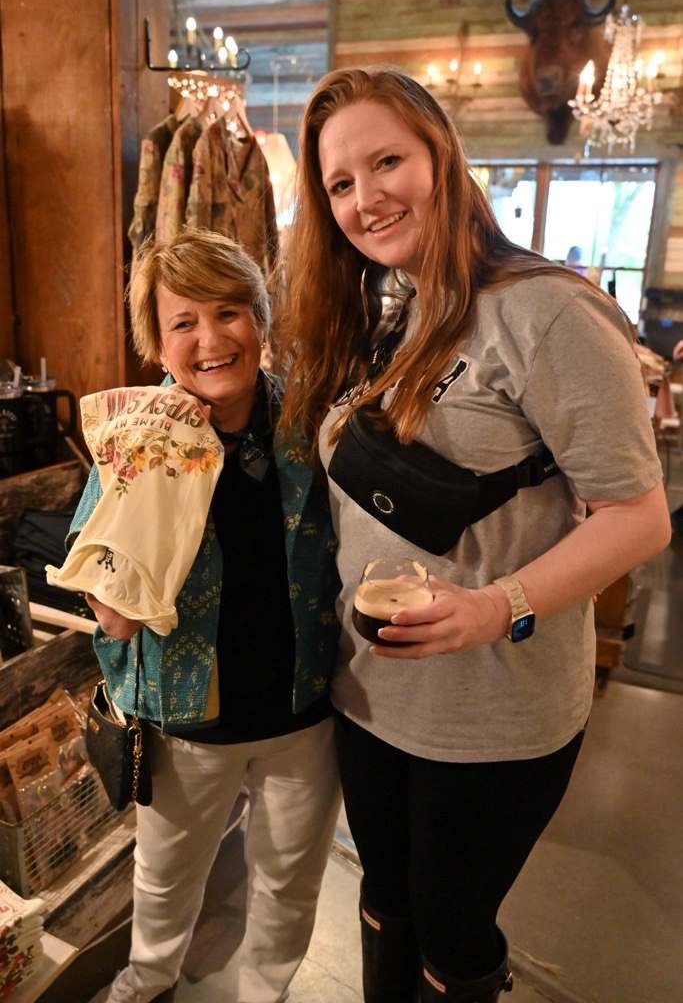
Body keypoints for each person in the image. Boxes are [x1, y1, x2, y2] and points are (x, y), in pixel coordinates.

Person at [276, 67, 671, 1003]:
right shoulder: (391, 307)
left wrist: (497, 606)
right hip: (370, 694)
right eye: (340, 183)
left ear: (441, 156)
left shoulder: (547, 310)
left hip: (493, 712)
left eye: (386, 162)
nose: (365, 199)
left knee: (452, 928)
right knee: (384, 898)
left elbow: (638, 516)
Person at [71, 230, 341, 1003]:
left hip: (303, 709)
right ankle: (145, 983)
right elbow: (109, 605)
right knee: (163, 881)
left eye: (228, 312)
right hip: (186, 719)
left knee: (289, 881)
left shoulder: (310, 421)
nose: (210, 339)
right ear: (158, 343)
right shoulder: (137, 436)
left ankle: (265, 992)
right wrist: (136, 531)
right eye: (183, 322)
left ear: (260, 319)